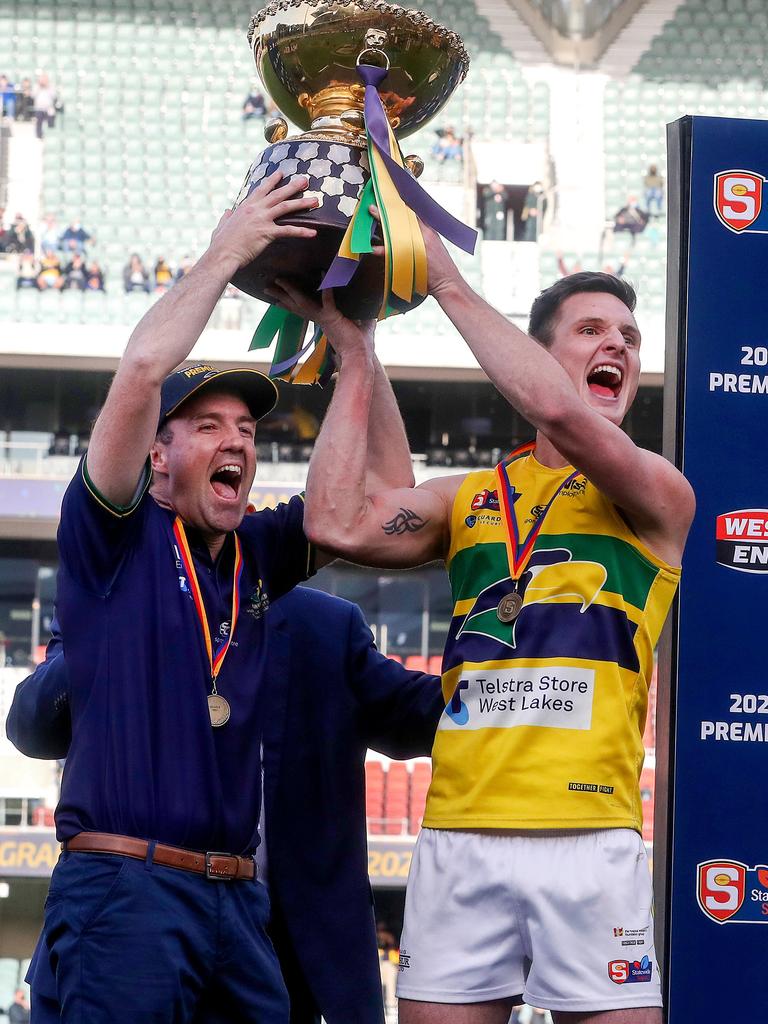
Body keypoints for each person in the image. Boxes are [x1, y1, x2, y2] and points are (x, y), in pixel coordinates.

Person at [270, 224, 695, 1021]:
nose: (620, 345)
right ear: (542, 352)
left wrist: (448, 283)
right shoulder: (471, 498)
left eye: (630, 336)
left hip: (589, 835)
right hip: (461, 833)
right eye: (593, 330)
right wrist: (355, 350)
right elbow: (335, 521)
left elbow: (557, 413)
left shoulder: (657, 494)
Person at [19, 170, 415, 1023]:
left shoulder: (256, 558)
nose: (236, 440)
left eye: (246, 430)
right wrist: (226, 250)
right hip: (127, 890)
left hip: (238, 908)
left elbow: (385, 496)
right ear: (155, 457)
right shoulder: (111, 540)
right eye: (207, 426)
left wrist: (356, 354)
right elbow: (142, 368)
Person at [8, 588, 444, 1024]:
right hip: (125, 939)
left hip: (269, 954)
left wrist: (502, 660)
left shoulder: (324, 626)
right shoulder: (107, 596)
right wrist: (123, 616)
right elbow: (32, 725)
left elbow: (431, 712)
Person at [32, 74, 57, 138]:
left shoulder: (51, 86)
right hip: (39, 108)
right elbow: (33, 95)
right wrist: (39, 88)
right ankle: (39, 135)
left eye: (45, 79)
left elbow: (54, 96)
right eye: (42, 79)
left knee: (51, 121)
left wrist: (47, 88)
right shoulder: (36, 86)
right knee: (38, 122)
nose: (43, 81)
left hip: (49, 108)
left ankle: (50, 135)